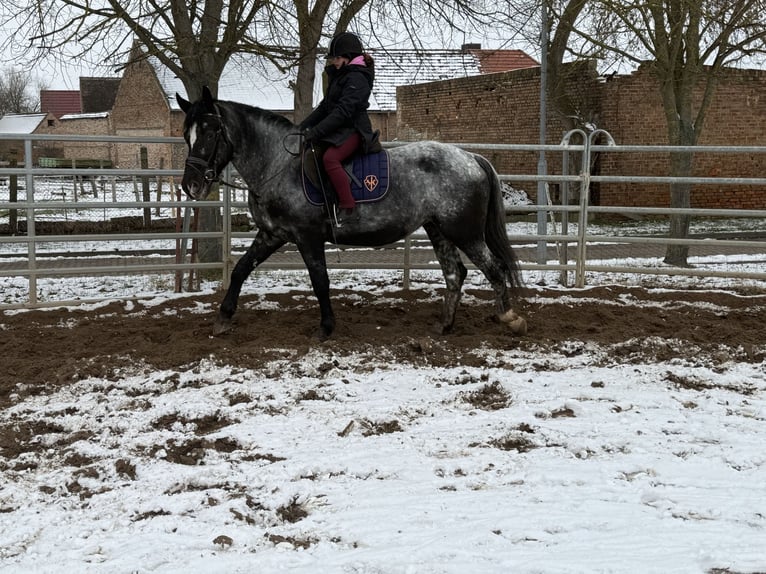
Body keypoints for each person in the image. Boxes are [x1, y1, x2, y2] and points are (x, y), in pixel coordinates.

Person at [299, 32, 377, 224]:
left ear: (348, 58)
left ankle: (348, 207)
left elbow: (343, 112)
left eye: (337, 57)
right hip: (341, 130)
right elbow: (326, 107)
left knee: (330, 159)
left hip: (355, 130)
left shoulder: (357, 78)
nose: (334, 61)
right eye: (333, 58)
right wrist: (301, 128)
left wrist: (317, 131)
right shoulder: (341, 76)